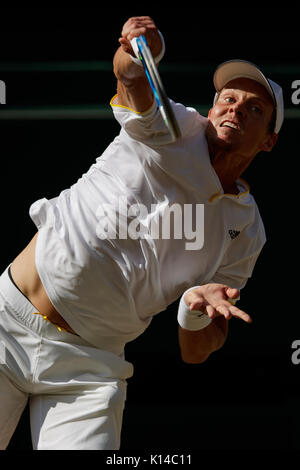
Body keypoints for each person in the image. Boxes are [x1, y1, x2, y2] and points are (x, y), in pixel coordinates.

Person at [0, 16, 284, 450]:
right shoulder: (174, 127)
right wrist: (137, 53)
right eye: (228, 98)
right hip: (6, 327)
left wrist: (194, 309)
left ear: (268, 141)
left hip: (91, 372)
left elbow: (196, 350)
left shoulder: (247, 233)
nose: (236, 109)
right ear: (211, 110)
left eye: (255, 109)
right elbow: (130, 78)